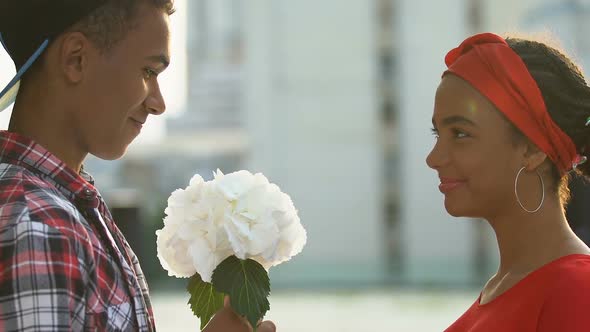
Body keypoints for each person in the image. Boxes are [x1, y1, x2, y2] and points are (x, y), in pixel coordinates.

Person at [0, 1, 276, 331]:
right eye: (148, 71)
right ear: (76, 59)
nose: (158, 103)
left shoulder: (60, 211)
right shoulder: (39, 224)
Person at [427, 32, 590, 331]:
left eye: (460, 134)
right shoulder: (502, 288)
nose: (433, 158)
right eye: (438, 134)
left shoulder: (576, 290)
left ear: (532, 149)